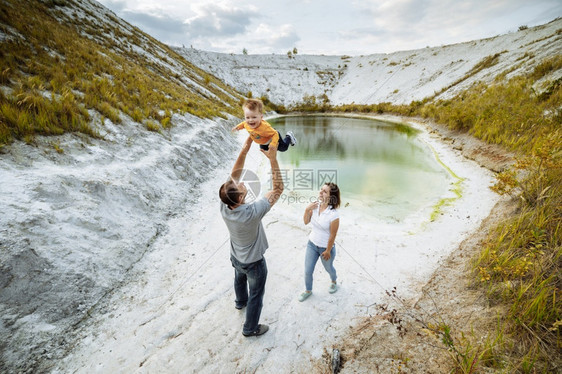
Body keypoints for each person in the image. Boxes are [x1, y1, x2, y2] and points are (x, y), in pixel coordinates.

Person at [219, 136, 284, 337]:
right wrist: (273, 159)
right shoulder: (251, 212)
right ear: (239, 199)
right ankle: (250, 328)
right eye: (240, 188)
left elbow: (234, 175)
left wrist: (245, 150)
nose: (242, 184)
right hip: (254, 262)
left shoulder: (224, 204)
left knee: (239, 277)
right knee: (256, 294)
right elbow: (278, 189)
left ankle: (240, 302)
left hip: (236, 256)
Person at [299, 182, 341, 302]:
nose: (321, 192)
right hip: (311, 244)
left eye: (325, 191)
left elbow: (333, 235)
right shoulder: (314, 206)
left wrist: (328, 251)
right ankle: (308, 290)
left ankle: (334, 281)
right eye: (321, 190)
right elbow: (306, 222)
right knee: (308, 270)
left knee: (329, 269)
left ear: (331, 196)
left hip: (325, 249)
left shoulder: (334, 215)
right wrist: (307, 210)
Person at [232, 98, 297, 152]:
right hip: (263, 141)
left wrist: (273, 144)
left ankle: (289, 136)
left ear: (261, 117)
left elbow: (275, 134)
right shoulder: (247, 124)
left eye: (254, 117)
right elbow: (243, 124)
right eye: (247, 117)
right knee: (263, 149)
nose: (250, 120)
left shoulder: (264, 128)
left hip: (272, 135)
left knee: (283, 148)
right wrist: (237, 127)